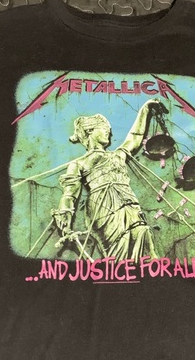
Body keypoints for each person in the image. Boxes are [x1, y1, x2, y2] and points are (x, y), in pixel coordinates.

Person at [51, 98, 168, 262]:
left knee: (143, 232)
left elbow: (134, 137)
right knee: (120, 249)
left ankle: (149, 271)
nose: (109, 133)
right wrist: (65, 217)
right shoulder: (79, 164)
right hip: (102, 207)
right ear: (90, 131)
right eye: (105, 129)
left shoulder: (117, 156)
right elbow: (69, 194)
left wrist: (145, 109)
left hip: (128, 202)